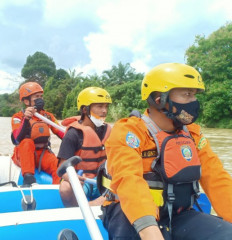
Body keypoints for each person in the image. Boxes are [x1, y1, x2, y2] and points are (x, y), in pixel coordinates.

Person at [101, 63, 232, 240]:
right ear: (159, 99)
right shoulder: (129, 132)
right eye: (187, 94)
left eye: (194, 95)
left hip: (178, 215)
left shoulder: (192, 134)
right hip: (129, 216)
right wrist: (149, 231)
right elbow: (128, 180)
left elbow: (217, 179)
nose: (193, 102)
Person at [58, 87, 112, 207]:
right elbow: (62, 169)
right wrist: (74, 178)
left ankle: (94, 204)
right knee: (65, 188)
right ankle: (79, 210)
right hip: (84, 181)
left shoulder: (110, 131)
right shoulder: (73, 134)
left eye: (106, 107)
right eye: (99, 106)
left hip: (104, 179)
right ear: (84, 109)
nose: (104, 111)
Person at [11, 82, 64, 185]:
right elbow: (17, 138)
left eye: (41, 97)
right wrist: (26, 119)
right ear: (26, 101)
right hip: (24, 154)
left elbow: (61, 133)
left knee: (58, 167)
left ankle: (58, 191)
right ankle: (28, 179)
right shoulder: (17, 117)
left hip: (42, 153)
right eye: (36, 97)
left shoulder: (48, 116)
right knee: (26, 141)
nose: (40, 99)